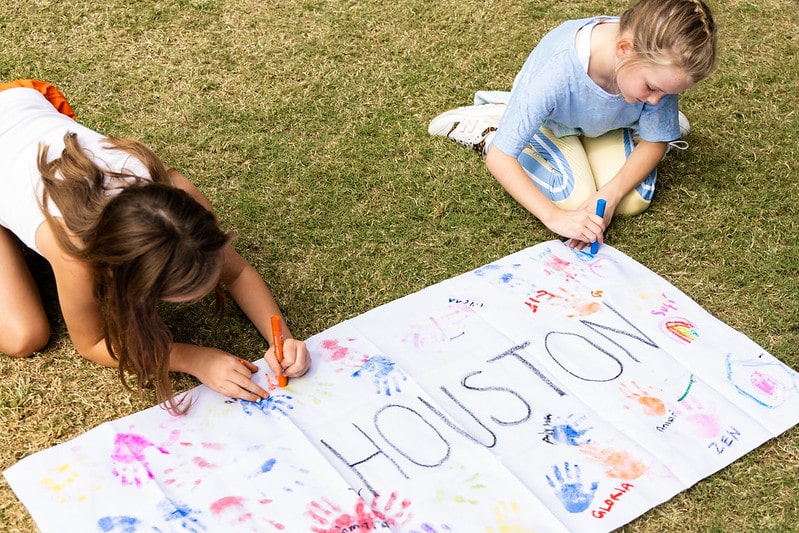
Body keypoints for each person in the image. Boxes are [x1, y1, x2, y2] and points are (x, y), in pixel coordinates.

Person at [0, 79, 311, 413]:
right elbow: (92, 343)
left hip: (18, 108)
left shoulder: (176, 193)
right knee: (25, 338)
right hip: (14, 129)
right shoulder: (72, 250)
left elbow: (238, 273)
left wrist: (283, 338)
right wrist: (194, 358)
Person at [428, 0, 717, 249]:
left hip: (608, 123)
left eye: (668, 94)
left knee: (632, 200)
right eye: (652, 88)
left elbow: (655, 143)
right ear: (624, 49)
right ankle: (490, 125)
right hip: (554, 123)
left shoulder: (660, 62)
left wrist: (610, 194)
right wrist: (554, 217)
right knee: (571, 197)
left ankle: (649, 127)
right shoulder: (557, 72)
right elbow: (501, 159)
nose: (657, 101)